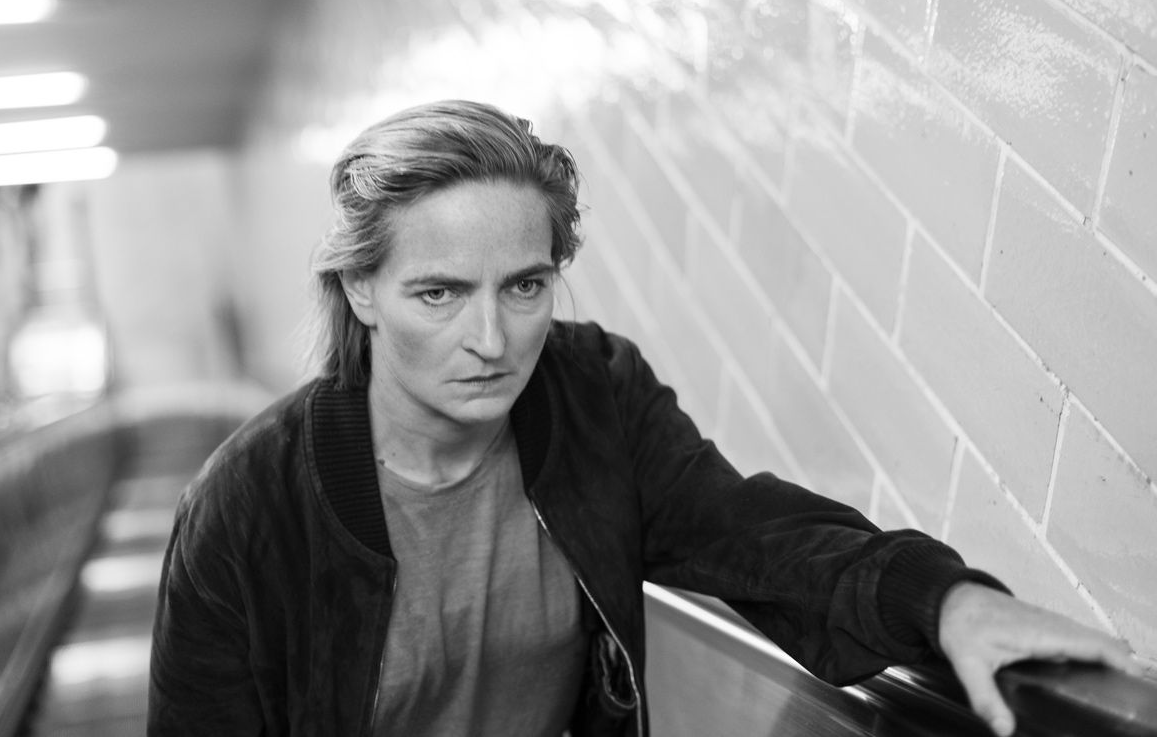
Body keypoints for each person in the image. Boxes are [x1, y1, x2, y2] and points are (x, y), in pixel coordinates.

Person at [148, 100, 1138, 737]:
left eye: (525, 285)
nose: (492, 341)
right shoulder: (248, 509)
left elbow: (754, 538)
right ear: (362, 290)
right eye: (439, 293)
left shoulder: (590, 395)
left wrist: (946, 601)